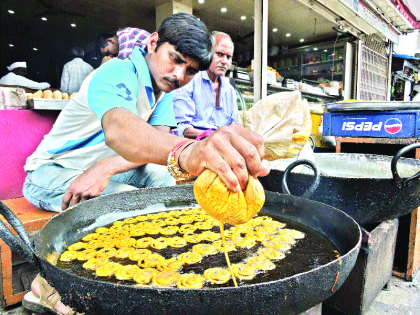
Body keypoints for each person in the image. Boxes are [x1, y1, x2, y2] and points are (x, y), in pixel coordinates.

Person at [21, 13, 269, 315]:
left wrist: (106, 167)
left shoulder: (163, 92)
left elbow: (156, 148)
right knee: (121, 200)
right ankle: (44, 286)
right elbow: (120, 129)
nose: (179, 74)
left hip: (98, 169)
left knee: (167, 184)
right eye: (174, 58)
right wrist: (188, 151)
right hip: (51, 171)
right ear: (153, 42)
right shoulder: (116, 72)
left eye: (190, 71)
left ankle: (149, 267)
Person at [172, 31, 237, 139]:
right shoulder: (189, 80)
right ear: (208, 53)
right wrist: (211, 136)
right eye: (220, 54)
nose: (224, 61)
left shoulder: (230, 91)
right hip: (192, 146)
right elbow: (180, 127)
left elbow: (233, 126)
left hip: (221, 145)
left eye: (228, 57)